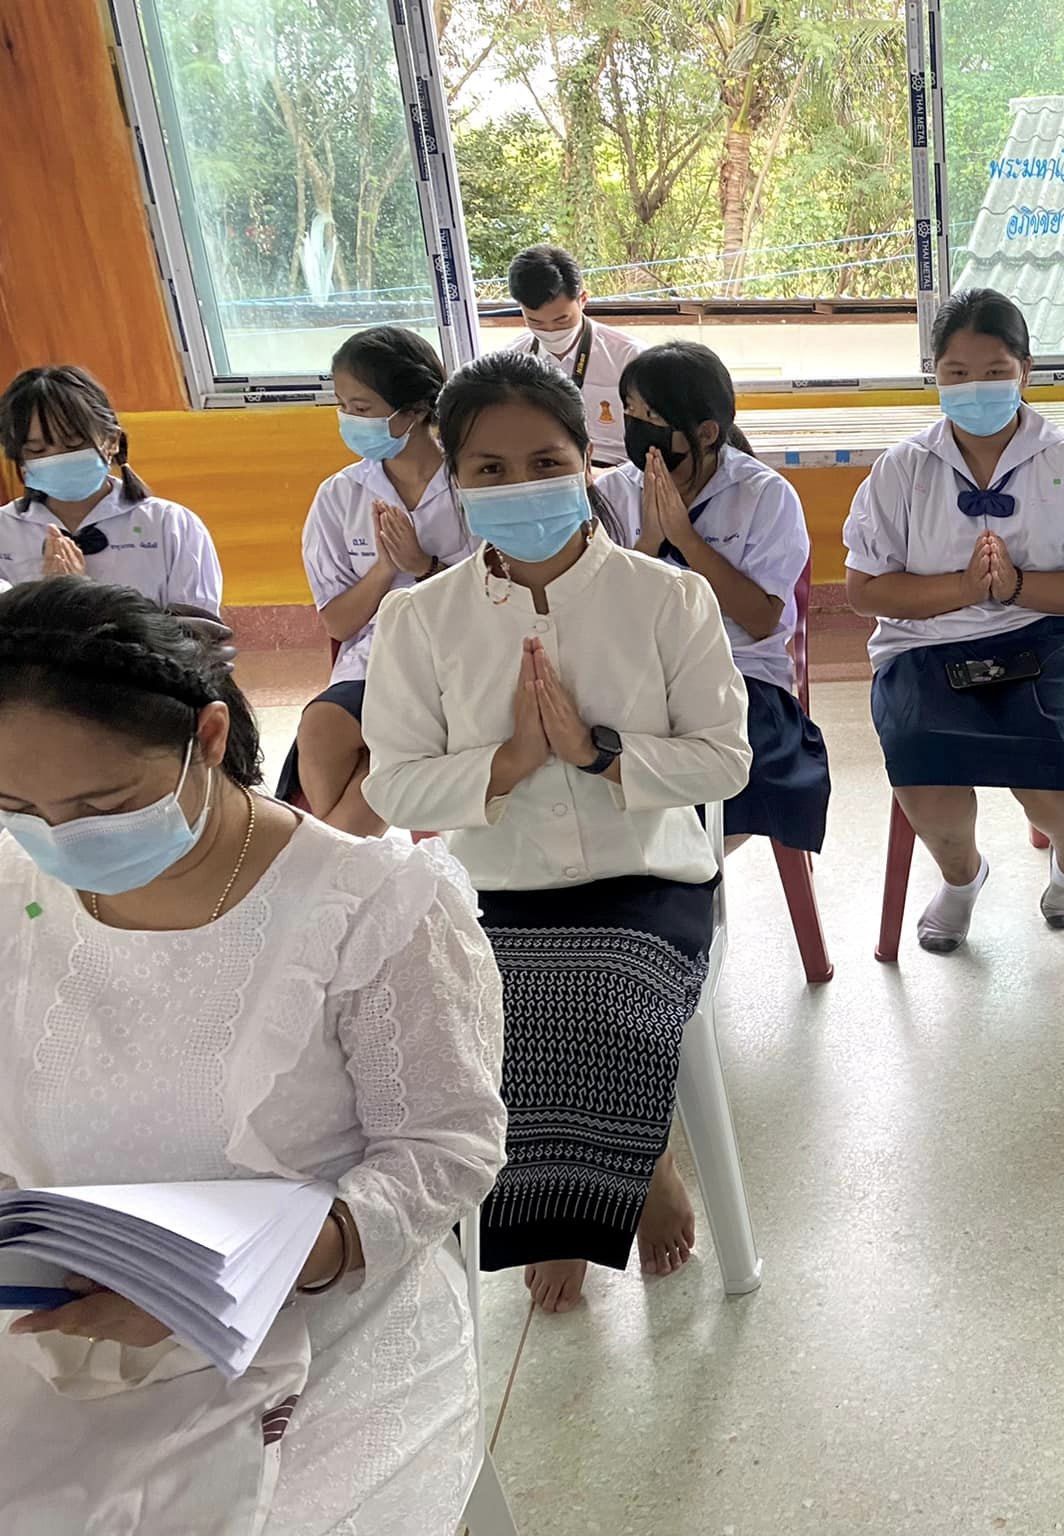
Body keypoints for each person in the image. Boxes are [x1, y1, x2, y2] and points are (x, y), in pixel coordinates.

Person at [0, 577, 507, 1533]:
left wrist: (222, 1277)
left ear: (211, 739)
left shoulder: (372, 907)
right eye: (16, 804)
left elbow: (446, 1150)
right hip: (55, 1320)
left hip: (315, 1314)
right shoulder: (11, 887)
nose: (58, 839)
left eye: (103, 802)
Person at [362, 350, 752, 1315]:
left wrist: (597, 752)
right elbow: (398, 786)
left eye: (544, 460)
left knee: (608, 983)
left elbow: (725, 761)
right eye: (488, 469)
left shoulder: (668, 597)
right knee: (474, 999)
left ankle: (633, 1172)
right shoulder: (418, 619)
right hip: (493, 879)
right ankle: (595, 1190)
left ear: (588, 462)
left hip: (648, 869)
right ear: (453, 481)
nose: (520, 484)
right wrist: (508, 762)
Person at [844, 288, 1064, 952]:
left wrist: (1017, 587)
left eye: (996, 372)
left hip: (1050, 634)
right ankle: (960, 879)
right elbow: (864, 589)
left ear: (1025, 372)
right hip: (925, 643)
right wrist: (961, 588)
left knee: (1061, 763)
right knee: (920, 753)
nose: (976, 388)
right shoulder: (902, 471)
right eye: (957, 374)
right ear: (936, 377)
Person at [598, 341, 830, 855]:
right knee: (594, 775)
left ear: (705, 432)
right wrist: (648, 545)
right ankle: (657, 875)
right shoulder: (611, 494)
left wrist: (686, 541)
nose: (639, 432)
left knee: (738, 776)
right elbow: (601, 615)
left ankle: (687, 878)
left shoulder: (764, 495)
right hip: (636, 674)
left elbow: (763, 619)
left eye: (654, 418)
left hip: (740, 673)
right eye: (631, 414)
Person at [278, 327, 475, 836]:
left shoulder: (472, 483)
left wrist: (424, 565)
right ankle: (353, 858)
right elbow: (340, 621)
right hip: (374, 661)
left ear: (411, 412)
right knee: (320, 728)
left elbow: (503, 596)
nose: (348, 419)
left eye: (362, 407)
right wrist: (386, 568)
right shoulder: (340, 495)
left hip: (461, 660)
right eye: (342, 404)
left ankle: (336, 863)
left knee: (396, 750)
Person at [0, 365, 223, 614]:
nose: (57, 458)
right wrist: (53, 600)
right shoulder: (4, 530)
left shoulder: (171, 526)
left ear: (112, 441)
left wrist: (83, 597)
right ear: (19, 457)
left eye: (73, 444)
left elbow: (197, 638)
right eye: (37, 451)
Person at [502, 243, 643, 467]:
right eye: (535, 321)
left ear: (583, 299)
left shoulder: (629, 357)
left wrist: (612, 478)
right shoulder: (509, 361)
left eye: (562, 320)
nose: (550, 330)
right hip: (541, 474)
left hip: (614, 473)